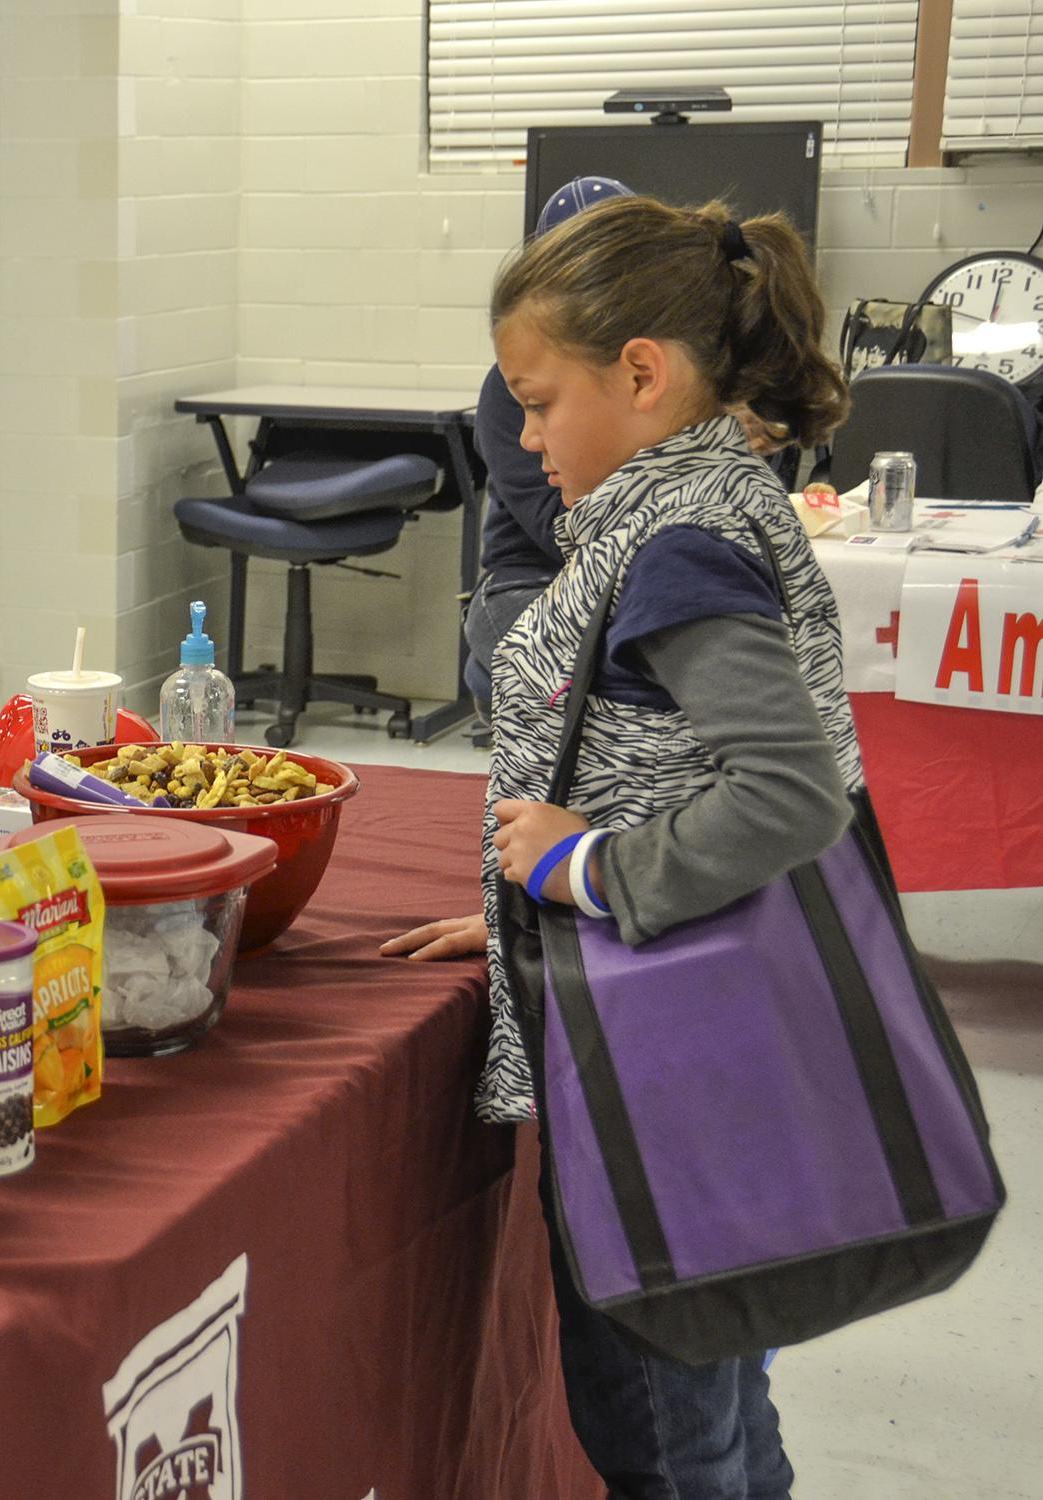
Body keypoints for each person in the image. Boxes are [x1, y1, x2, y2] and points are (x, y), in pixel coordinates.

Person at [384, 197, 858, 1498]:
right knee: (717, 1407)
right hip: (708, 1035)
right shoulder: (697, 502)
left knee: (660, 1439)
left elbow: (787, 796)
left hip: (673, 1075)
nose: (524, 440)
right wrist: (522, 914)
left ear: (641, 373)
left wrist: (583, 874)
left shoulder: (680, 540)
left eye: (539, 403)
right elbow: (663, 765)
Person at [464, 176, 632, 707]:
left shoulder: (652, 367)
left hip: (631, 568)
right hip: (535, 577)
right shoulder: (509, 383)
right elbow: (556, 526)